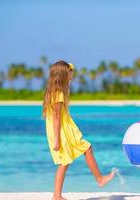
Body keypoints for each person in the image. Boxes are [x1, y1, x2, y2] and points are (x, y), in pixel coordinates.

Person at [42, 60, 116, 200]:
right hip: (62, 131)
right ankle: (99, 179)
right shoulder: (59, 94)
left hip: (62, 129)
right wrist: (57, 139)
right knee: (84, 149)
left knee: (67, 161)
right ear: (64, 74)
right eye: (71, 72)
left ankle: (57, 195)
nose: (73, 74)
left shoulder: (53, 91)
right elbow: (57, 118)